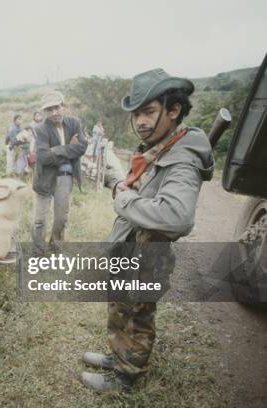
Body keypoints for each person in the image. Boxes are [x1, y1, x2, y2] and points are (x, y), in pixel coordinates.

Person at [81, 68, 214, 392]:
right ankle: (118, 355)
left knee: (138, 315)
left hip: (147, 255)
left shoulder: (182, 158)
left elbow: (177, 216)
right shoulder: (158, 146)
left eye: (149, 112)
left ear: (174, 110)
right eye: (136, 114)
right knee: (120, 307)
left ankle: (126, 377)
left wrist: (124, 200)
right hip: (130, 246)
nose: (140, 121)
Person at [31, 91, 87, 253]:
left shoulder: (74, 123)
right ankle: (38, 250)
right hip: (44, 178)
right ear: (45, 112)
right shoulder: (40, 129)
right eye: (49, 110)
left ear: (63, 106)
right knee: (40, 219)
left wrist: (55, 151)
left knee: (61, 219)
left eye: (57, 107)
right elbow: (42, 157)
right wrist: (69, 149)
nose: (54, 112)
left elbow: (82, 147)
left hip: (65, 177)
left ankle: (55, 247)